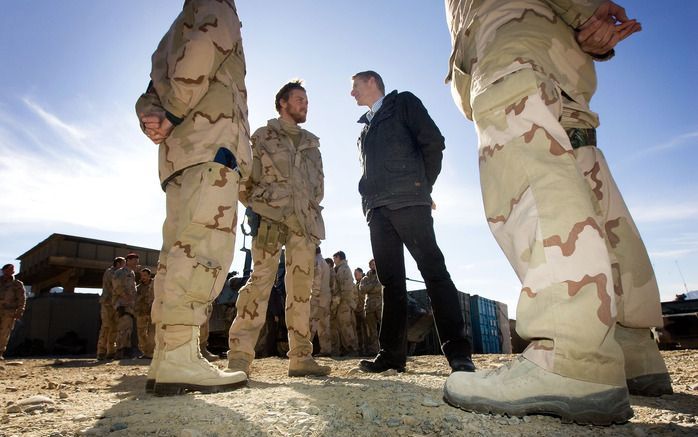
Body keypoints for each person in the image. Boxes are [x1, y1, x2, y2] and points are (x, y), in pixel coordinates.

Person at [443, 0, 671, 425]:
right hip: (553, 45)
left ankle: (572, 352)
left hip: (511, 31)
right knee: (582, 165)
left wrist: (586, 12)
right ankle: (631, 346)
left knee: (522, 146)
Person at [135, 0, 250, 395]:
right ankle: (180, 356)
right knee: (204, 249)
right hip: (212, 145)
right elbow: (205, 47)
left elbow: (147, 95)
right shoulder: (216, 5)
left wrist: (158, 115)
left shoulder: (172, 32)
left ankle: (167, 355)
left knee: (177, 251)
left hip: (181, 154)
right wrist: (174, 109)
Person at [350, 70, 475, 374]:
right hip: (377, 211)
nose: (351, 93)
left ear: (371, 82)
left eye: (354, 86)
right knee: (390, 283)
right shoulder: (363, 132)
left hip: (409, 201)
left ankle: (458, 353)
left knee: (433, 272)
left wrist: (422, 186)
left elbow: (433, 143)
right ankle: (391, 355)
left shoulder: (403, 103)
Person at [226, 80, 331, 378]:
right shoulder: (262, 136)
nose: (305, 104)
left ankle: (300, 357)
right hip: (271, 218)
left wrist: (306, 206)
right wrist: (260, 206)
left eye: (306, 101)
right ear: (282, 103)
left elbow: (319, 187)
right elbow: (245, 179)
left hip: (303, 222)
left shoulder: (312, 143)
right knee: (259, 282)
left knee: (301, 292)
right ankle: (239, 356)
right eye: (299, 99)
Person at [97, 257, 124, 360]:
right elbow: (116, 285)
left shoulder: (118, 273)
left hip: (115, 304)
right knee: (106, 326)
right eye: (123, 264)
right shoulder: (110, 272)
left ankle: (111, 351)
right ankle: (101, 351)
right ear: (117, 264)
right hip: (107, 303)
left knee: (114, 328)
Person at [112, 253, 139, 359]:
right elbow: (117, 286)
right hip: (122, 304)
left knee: (128, 328)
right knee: (123, 327)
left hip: (130, 305)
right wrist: (125, 297)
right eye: (135, 260)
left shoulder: (132, 273)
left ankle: (126, 351)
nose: (137, 263)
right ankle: (120, 351)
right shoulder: (120, 272)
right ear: (128, 261)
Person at [333, 251, 359, 356]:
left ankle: (352, 349)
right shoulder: (340, 268)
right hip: (342, 301)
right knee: (342, 326)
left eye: (335, 258)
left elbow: (347, 288)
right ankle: (348, 348)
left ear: (339, 257)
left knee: (346, 326)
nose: (334, 260)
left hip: (344, 301)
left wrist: (343, 300)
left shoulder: (344, 269)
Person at [0, 264, 25, 360]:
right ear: (4, 270)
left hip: (9, 312)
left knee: (4, 332)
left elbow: (22, 299)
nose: (11, 271)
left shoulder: (17, 284)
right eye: (8, 269)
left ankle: (0, 351)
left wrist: (20, 311)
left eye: (12, 269)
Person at [310, 247, 332, 356]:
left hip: (317, 297)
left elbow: (317, 279)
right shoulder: (324, 262)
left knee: (311, 323)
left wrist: (314, 294)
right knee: (324, 325)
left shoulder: (316, 261)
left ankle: (305, 349)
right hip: (325, 297)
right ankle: (326, 350)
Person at [359, 259, 382, 356]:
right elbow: (362, 289)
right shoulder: (365, 278)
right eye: (372, 264)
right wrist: (373, 285)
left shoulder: (381, 275)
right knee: (372, 331)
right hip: (369, 307)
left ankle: (386, 349)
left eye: (375, 264)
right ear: (369, 266)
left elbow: (379, 287)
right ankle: (374, 350)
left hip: (380, 305)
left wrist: (370, 287)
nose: (374, 266)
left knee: (383, 328)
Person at [135, 268, 155, 359]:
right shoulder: (138, 288)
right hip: (141, 313)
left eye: (145, 275)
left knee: (152, 333)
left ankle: (151, 352)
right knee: (141, 333)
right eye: (141, 275)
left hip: (152, 312)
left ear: (149, 276)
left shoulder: (154, 285)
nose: (143, 277)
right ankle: (145, 352)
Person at [326, 257, 341, 356]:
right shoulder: (329, 273)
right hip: (330, 302)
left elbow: (335, 290)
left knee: (333, 328)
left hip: (332, 303)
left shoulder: (331, 274)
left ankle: (336, 350)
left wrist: (333, 305)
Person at [353, 267, 368, 355]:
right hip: (357, 310)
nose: (355, 275)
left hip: (363, 309)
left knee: (366, 331)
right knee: (358, 331)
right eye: (354, 274)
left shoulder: (364, 282)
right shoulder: (356, 284)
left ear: (361, 273)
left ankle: (368, 349)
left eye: (357, 273)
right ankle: (361, 349)